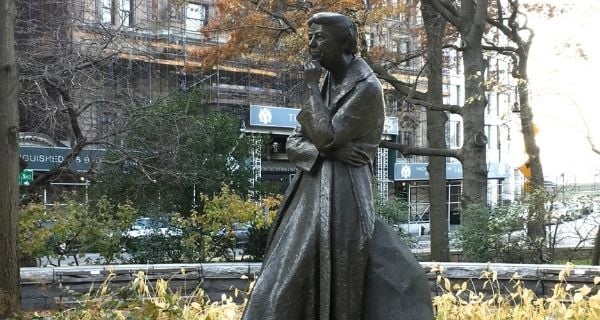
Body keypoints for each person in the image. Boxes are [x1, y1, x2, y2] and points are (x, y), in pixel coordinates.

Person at [242, 12, 433, 320]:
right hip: (310, 190)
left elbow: (325, 137)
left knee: (322, 276)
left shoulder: (366, 87)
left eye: (320, 37)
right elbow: (294, 142)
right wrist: (325, 153)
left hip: (343, 195)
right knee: (281, 277)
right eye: (310, 37)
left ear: (343, 44)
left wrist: (313, 95)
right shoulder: (328, 79)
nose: (311, 43)